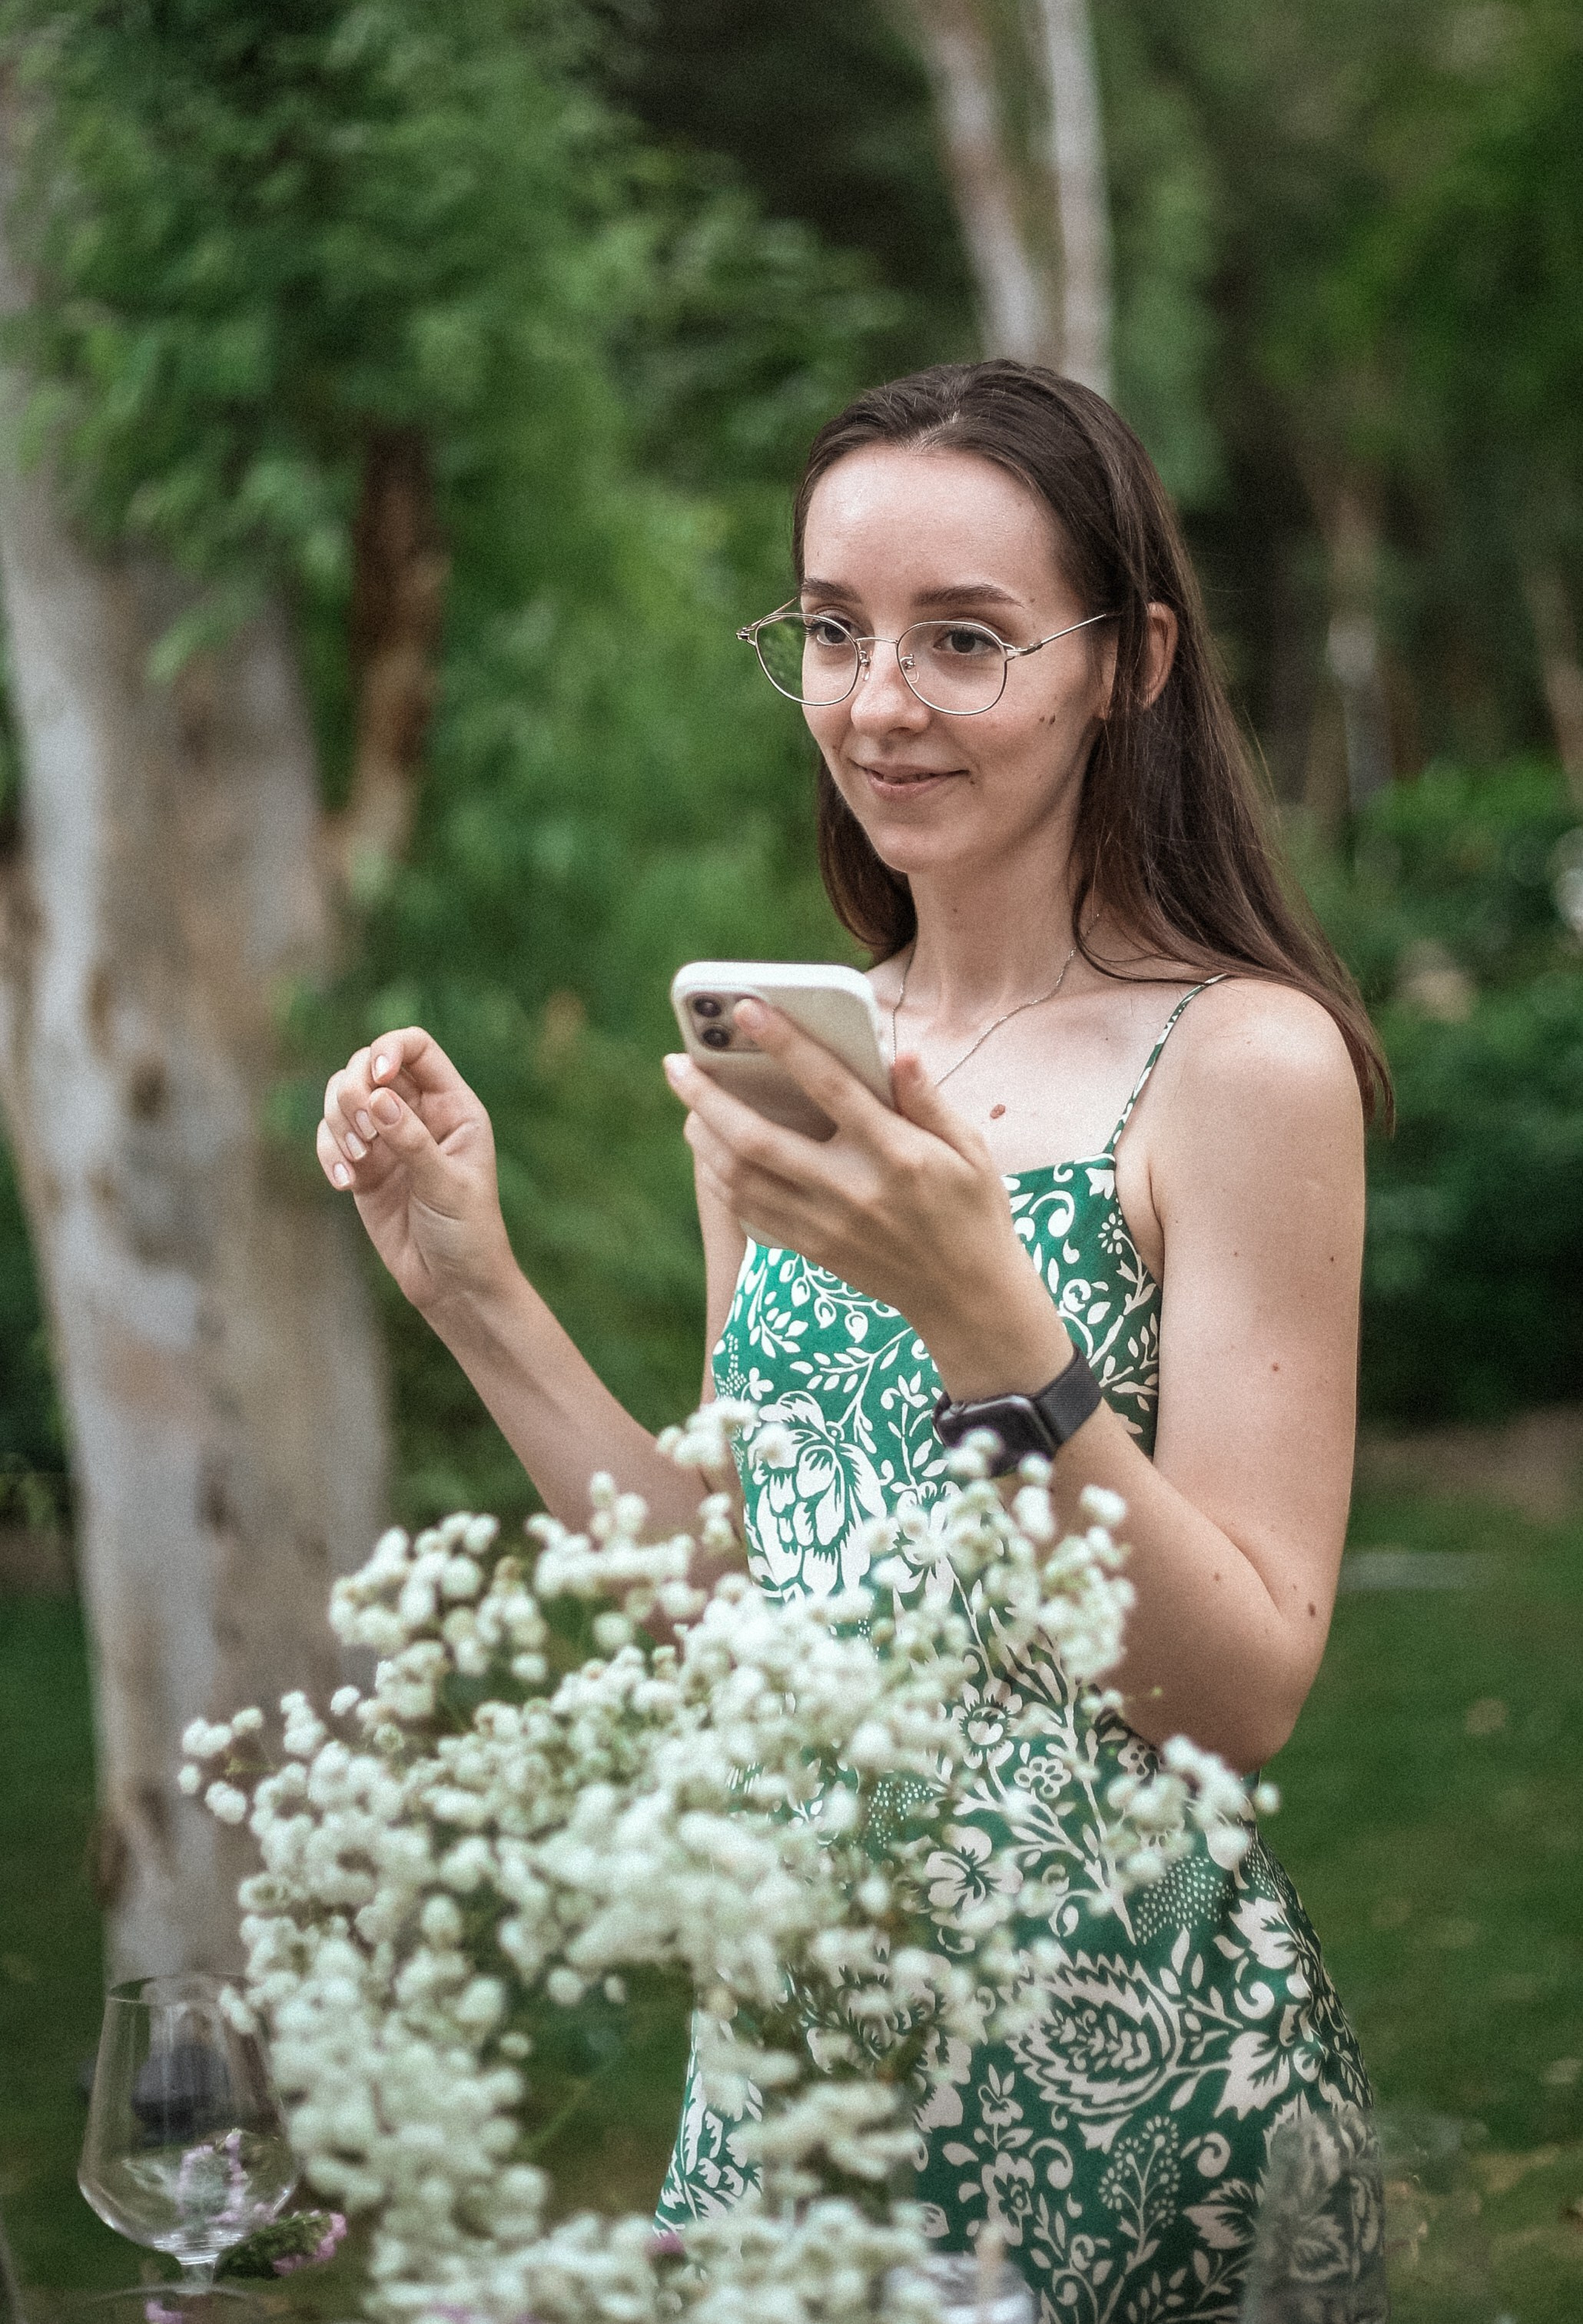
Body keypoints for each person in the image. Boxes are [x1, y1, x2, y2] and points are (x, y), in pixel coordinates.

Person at [317, 360, 1387, 2318]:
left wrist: (984, 1309)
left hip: (1139, 2115)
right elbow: (741, 1599)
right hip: (790, 2099)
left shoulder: (1241, 1064)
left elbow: (1241, 1700)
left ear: (1127, 661)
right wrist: (468, 1282)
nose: (876, 703)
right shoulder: (803, 1058)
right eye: (831, 630)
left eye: (962, 639)